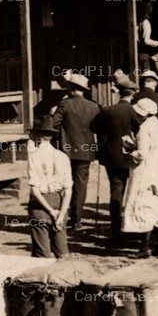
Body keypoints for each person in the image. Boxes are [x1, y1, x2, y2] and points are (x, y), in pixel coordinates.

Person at [92, 76, 140, 246]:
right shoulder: (135, 111)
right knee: (134, 190)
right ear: (132, 94)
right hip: (131, 156)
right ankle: (133, 227)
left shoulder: (107, 110)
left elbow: (94, 127)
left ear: (119, 92)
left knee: (116, 191)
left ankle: (116, 230)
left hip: (111, 157)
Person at [121, 98, 158, 258]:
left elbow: (142, 154)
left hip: (146, 169)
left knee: (143, 205)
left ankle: (144, 247)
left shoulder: (144, 129)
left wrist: (129, 152)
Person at [54, 72, 101, 230]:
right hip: (86, 152)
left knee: (64, 183)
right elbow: (99, 129)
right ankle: (77, 220)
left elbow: (54, 124)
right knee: (80, 185)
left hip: (65, 151)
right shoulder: (94, 106)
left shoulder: (64, 104)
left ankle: (62, 216)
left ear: (72, 88)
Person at [26, 117, 72, 258]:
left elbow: (35, 190)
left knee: (41, 252)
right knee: (62, 252)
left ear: (37, 135)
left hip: (40, 205)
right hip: (58, 202)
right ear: (52, 136)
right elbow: (68, 190)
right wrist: (61, 214)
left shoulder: (34, 157)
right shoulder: (62, 156)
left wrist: (51, 211)